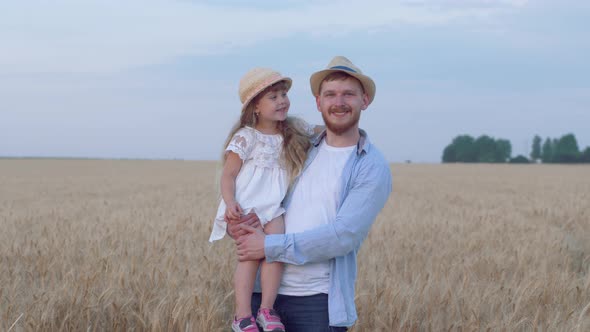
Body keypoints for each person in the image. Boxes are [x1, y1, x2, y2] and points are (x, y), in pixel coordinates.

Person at [229, 56, 393, 331]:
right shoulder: (297, 146)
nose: (338, 102)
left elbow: (344, 236)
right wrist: (240, 222)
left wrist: (267, 246)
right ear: (319, 102)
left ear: (365, 101)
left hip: (316, 304)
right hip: (262, 300)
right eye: (330, 95)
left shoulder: (371, 166)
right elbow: (258, 189)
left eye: (348, 95)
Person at [209, 67, 313, 332]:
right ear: (255, 106)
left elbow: (317, 132)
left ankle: (267, 309)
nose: (282, 101)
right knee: (249, 258)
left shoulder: (289, 134)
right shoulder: (246, 137)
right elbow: (228, 175)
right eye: (273, 97)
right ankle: (242, 315)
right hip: (246, 207)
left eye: (284, 94)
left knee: (274, 250)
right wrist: (230, 202)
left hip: (273, 208)